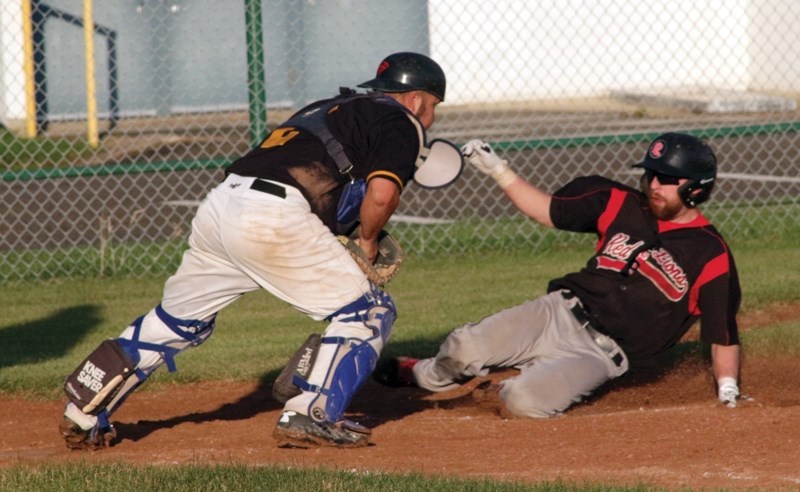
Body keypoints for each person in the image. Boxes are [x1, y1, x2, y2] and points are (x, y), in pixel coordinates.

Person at [59, 51, 460, 449]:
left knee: (176, 321)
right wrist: (368, 240)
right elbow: (383, 194)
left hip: (221, 207)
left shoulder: (329, 107)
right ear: (415, 99)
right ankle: (310, 411)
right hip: (270, 215)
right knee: (368, 312)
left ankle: (84, 411)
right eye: (433, 106)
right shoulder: (400, 120)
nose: (431, 117)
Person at [376, 133, 741, 418]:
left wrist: (728, 390)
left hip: (600, 357)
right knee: (463, 347)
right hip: (558, 313)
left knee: (523, 403)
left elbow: (722, 332)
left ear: (696, 189)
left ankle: (507, 380)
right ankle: (423, 373)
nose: (654, 184)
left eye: (668, 179)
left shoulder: (711, 254)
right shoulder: (619, 202)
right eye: (652, 174)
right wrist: (498, 170)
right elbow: (547, 211)